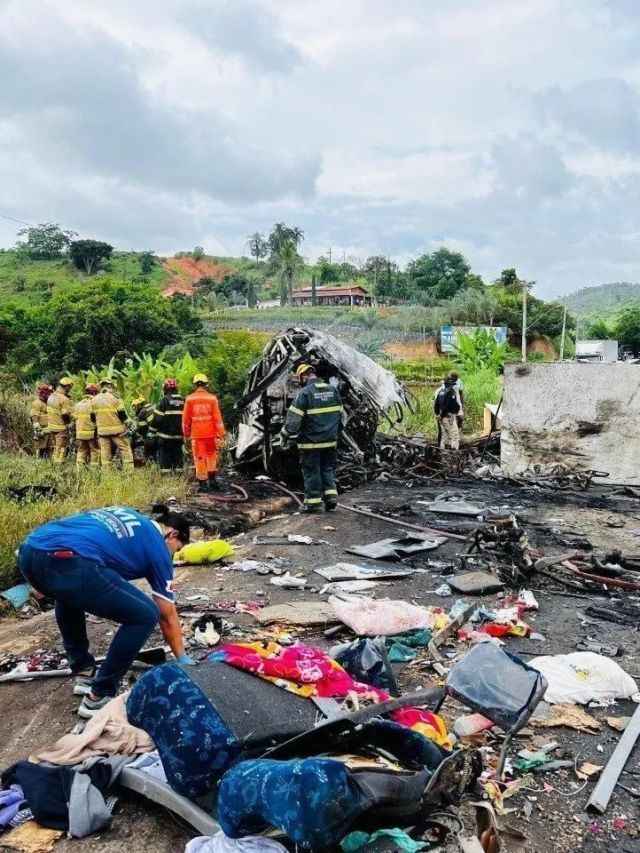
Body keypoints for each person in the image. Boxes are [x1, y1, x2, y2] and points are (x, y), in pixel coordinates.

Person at [18, 505, 194, 718]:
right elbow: (167, 615)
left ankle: (84, 672)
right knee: (145, 615)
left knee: (68, 593)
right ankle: (99, 696)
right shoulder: (158, 547)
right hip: (70, 559)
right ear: (172, 534)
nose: (174, 555)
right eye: (177, 548)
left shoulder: (128, 514)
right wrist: (183, 659)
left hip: (30, 551)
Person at [281, 363, 343, 513]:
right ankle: (330, 498)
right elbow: (341, 417)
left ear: (304, 376)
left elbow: (293, 421)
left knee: (312, 470)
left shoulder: (304, 393)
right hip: (330, 441)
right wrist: (335, 434)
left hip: (311, 443)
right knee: (327, 468)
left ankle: (313, 504)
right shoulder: (333, 390)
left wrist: (284, 436)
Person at [182, 373, 226, 492]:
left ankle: (202, 484)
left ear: (195, 384)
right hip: (211, 434)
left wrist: (186, 433)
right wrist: (221, 433)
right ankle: (212, 480)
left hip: (197, 435)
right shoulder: (212, 398)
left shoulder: (189, 399)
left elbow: (185, 420)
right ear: (206, 384)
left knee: (199, 458)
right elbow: (218, 418)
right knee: (211, 456)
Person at [91, 378, 134, 468]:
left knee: (105, 451)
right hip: (117, 430)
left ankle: (107, 472)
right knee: (125, 448)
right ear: (110, 385)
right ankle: (129, 471)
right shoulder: (115, 397)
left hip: (102, 431)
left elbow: (92, 418)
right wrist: (127, 423)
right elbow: (122, 413)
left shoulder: (94, 399)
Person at [153, 378, 185, 473]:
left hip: (165, 436)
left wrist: (152, 433)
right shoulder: (183, 400)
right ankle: (179, 476)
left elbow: (157, 419)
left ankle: (166, 477)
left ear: (165, 388)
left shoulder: (164, 400)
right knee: (178, 455)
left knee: (165, 457)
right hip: (179, 437)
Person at [47, 378, 75, 464]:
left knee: (55, 447)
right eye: (70, 387)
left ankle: (53, 464)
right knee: (62, 448)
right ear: (67, 386)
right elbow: (65, 414)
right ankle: (58, 467)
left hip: (51, 426)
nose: (70, 389)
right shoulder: (64, 399)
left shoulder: (52, 396)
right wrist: (69, 424)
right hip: (61, 428)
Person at [73, 384, 100, 467]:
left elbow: (74, 418)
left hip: (80, 433)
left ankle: (79, 469)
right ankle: (94, 470)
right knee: (95, 451)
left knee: (81, 451)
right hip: (91, 433)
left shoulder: (78, 404)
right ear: (95, 393)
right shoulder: (95, 403)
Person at [434, 375, 463, 450]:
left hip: (441, 417)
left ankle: (443, 452)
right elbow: (447, 406)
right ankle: (454, 452)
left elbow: (436, 405)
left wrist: (438, 415)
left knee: (444, 435)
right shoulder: (451, 392)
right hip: (447, 417)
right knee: (454, 435)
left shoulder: (441, 392)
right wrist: (442, 415)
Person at [30, 383, 54, 459]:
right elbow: (34, 418)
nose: (50, 396)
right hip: (41, 432)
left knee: (50, 450)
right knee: (39, 449)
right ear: (43, 393)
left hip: (49, 431)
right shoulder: (37, 403)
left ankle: (49, 465)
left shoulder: (48, 403)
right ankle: (38, 465)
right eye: (48, 394)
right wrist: (38, 431)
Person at [131, 397, 158, 462]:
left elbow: (142, 430)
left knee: (148, 444)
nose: (135, 410)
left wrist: (133, 435)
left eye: (135, 408)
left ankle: (150, 461)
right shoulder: (155, 405)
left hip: (155, 433)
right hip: (165, 432)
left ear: (139, 405)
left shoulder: (142, 412)